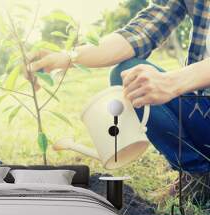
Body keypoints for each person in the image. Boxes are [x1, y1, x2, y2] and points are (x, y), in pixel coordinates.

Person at [26, 0, 210, 200]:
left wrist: (174, 82)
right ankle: (200, 175)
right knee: (129, 75)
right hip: (202, 108)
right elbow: (139, 33)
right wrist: (66, 57)